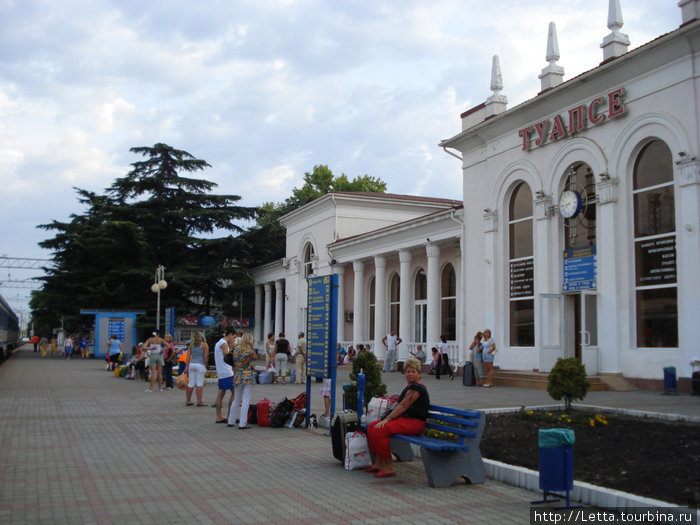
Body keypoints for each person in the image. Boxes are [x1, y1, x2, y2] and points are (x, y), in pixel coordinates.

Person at [366, 357, 430, 478]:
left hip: (415, 423)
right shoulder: (410, 387)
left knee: (381, 429)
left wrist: (387, 419)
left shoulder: (418, 388)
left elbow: (403, 406)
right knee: (371, 427)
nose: (410, 374)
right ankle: (378, 463)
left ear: (419, 373)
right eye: (408, 371)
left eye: (413, 371)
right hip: (405, 420)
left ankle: (388, 466)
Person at [227, 332, 258, 429]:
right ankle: (242, 423)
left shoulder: (236, 349)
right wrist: (252, 346)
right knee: (245, 400)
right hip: (247, 376)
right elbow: (255, 358)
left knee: (236, 399)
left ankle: (231, 421)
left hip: (237, 376)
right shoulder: (249, 351)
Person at [214, 327, 236, 423]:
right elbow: (227, 356)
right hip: (227, 372)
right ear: (230, 335)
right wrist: (231, 348)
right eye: (234, 337)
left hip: (221, 372)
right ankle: (229, 416)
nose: (234, 339)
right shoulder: (223, 343)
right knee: (235, 393)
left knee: (220, 394)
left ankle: (219, 416)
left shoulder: (219, 343)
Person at [185, 331, 209, 406]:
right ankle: (199, 401)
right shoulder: (204, 345)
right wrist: (205, 366)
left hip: (192, 365)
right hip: (200, 365)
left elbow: (188, 356)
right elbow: (206, 356)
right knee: (199, 384)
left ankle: (188, 401)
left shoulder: (191, 345)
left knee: (191, 383)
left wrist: (186, 367)